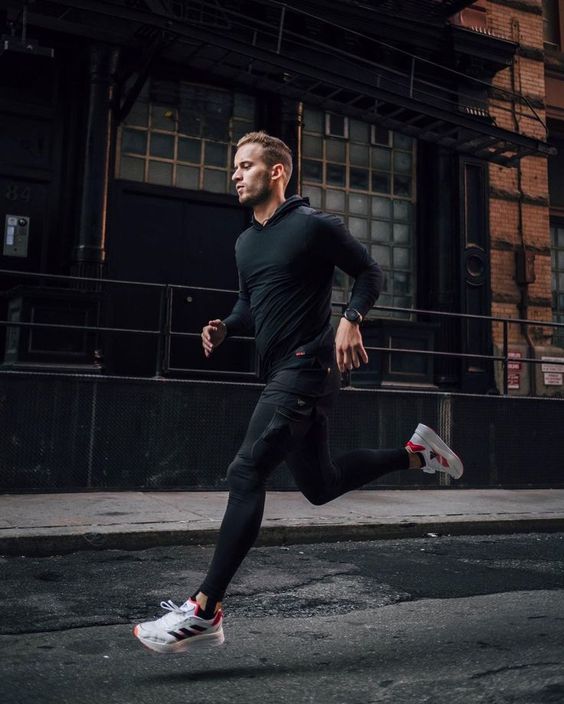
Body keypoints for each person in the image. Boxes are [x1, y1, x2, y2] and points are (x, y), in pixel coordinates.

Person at [133, 131, 463, 654]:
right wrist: (227, 327)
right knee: (321, 484)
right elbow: (250, 303)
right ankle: (416, 455)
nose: (235, 175)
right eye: (234, 167)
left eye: (245, 166)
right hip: (282, 373)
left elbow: (368, 274)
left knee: (246, 471)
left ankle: (204, 609)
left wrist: (351, 319)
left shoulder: (314, 227)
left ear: (277, 172)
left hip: (306, 368)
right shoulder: (246, 241)